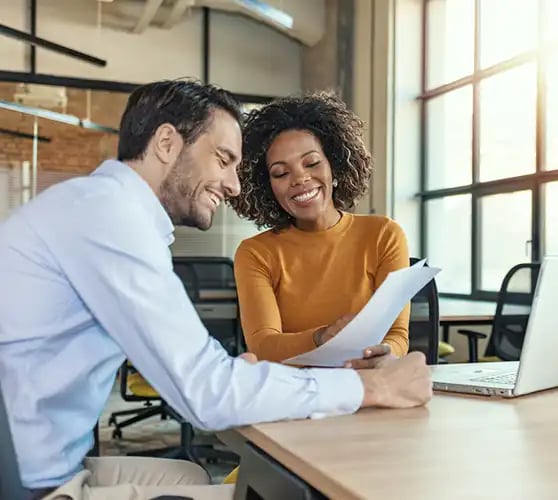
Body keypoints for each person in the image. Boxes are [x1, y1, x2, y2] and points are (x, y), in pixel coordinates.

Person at [0, 80, 432, 500]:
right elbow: (205, 394)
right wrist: (372, 389)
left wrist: (229, 377)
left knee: (192, 476)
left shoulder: (99, 207)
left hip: (44, 461)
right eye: (224, 159)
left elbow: (200, 379)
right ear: (167, 143)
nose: (235, 185)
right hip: (31, 483)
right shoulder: (108, 218)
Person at [230, 92, 410, 368]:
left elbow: (397, 335)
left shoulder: (384, 234)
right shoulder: (255, 253)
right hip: (293, 391)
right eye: (280, 173)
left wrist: (385, 354)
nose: (300, 179)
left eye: (312, 163)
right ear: (268, 188)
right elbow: (263, 346)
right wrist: (322, 337)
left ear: (335, 168)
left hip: (367, 382)